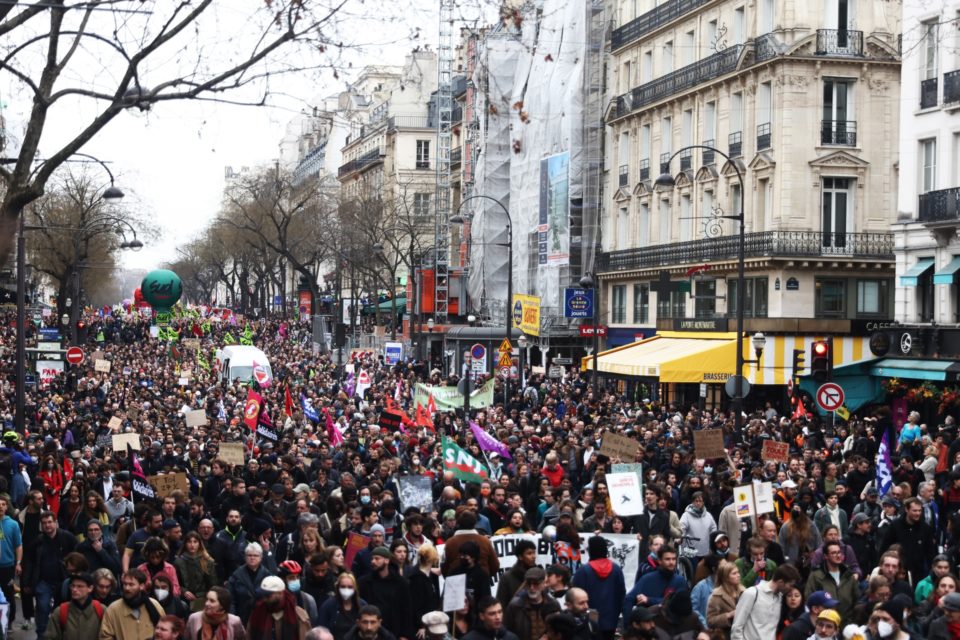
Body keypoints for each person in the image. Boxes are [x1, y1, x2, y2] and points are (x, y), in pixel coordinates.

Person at [25, 509, 78, 638]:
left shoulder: (68, 537)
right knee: (42, 608)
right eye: (44, 523)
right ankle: (41, 635)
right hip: (44, 581)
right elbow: (29, 562)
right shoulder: (37, 541)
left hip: (64, 581)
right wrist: (27, 582)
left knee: (62, 610)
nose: (47, 525)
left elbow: (78, 556)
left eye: (50, 522)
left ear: (56, 523)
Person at [571, 536, 624, 640]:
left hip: (588, 624)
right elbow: (621, 595)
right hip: (611, 621)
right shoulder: (616, 569)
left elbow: (574, 596)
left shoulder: (583, 571)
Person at [728, 564, 801, 640]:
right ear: (781, 582)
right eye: (790, 585)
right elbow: (736, 627)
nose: (791, 589)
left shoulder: (781, 598)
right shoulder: (752, 593)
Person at [358, 546, 412, 640]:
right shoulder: (364, 583)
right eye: (372, 559)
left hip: (394, 632)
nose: (373, 562)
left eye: (377, 559)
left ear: (386, 560)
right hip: (371, 632)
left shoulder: (401, 583)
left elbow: (406, 609)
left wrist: (405, 635)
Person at [880, 497, 936, 586]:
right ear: (906, 509)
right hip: (898, 572)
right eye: (914, 511)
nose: (918, 513)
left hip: (918, 572)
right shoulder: (895, 526)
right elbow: (884, 548)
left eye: (919, 511)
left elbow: (930, 552)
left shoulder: (925, 528)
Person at [623, 545, 687, 621]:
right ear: (659, 561)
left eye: (673, 559)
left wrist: (649, 600)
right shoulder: (647, 578)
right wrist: (629, 625)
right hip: (649, 624)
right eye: (667, 559)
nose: (671, 562)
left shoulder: (680, 580)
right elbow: (629, 599)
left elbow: (677, 604)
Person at [99, 569, 165, 640]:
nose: (127, 588)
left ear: (141, 586)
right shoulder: (113, 609)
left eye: (131, 584)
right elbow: (105, 636)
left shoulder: (154, 605)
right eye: (125, 584)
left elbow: (165, 632)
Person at [804, 540, 859, 623]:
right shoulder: (816, 576)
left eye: (839, 552)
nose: (838, 556)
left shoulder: (849, 575)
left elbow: (857, 599)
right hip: (825, 623)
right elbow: (809, 598)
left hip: (847, 623)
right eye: (833, 553)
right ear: (826, 556)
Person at [42, 572, 105, 640]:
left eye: (79, 586)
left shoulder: (101, 610)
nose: (74, 589)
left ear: (90, 588)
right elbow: (50, 637)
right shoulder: (60, 611)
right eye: (73, 586)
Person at [246, 574, 312, 640]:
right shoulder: (257, 611)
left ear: (280, 593)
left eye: (268, 595)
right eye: (263, 595)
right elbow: (249, 635)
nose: (265, 598)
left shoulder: (298, 615)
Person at [504, 567, 562, 640]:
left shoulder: (553, 604)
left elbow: (560, 632)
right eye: (529, 584)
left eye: (536, 584)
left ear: (544, 584)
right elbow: (507, 634)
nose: (531, 587)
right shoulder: (515, 606)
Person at [226, 542, 272, 625]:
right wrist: (232, 618)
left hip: (262, 619)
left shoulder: (267, 575)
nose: (252, 558)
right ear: (245, 557)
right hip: (241, 618)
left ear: (261, 557)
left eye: (255, 555)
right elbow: (231, 599)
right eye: (249, 555)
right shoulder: (236, 575)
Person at [175, 531, 219, 613]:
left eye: (195, 542)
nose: (192, 545)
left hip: (204, 598)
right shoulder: (179, 561)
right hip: (186, 598)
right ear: (185, 544)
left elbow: (213, 584)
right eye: (189, 542)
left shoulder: (207, 561)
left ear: (199, 543)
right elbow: (176, 583)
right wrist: (184, 591)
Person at [319, 573, 366, 640]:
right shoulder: (328, 605)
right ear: (338, 587)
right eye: (343, 587)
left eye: (350, 587)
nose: (346, 589)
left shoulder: (362, 605)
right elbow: (321, 629)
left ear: (355, 588)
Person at [497, 539, 537, 608]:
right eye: (529, 553)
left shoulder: (539, 574)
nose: (533, 556)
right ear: (520, 557)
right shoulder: (507, 577)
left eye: (534, 553)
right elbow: (502, 603)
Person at [706, 560, 742, 636]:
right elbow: (710, 621)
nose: (738, 575)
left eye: (738, 572)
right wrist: (729, 615)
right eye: (734, 573)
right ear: (726, 578)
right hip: (725, 635)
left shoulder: (743, 592)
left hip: (742, 634)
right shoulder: (717, 596)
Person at [281, 559, 320, 627]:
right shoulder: (277, 599)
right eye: (291, 578)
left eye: (297, 577)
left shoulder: (308, 600)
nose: (296, 580)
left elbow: (313, 624)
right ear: (283, 580)